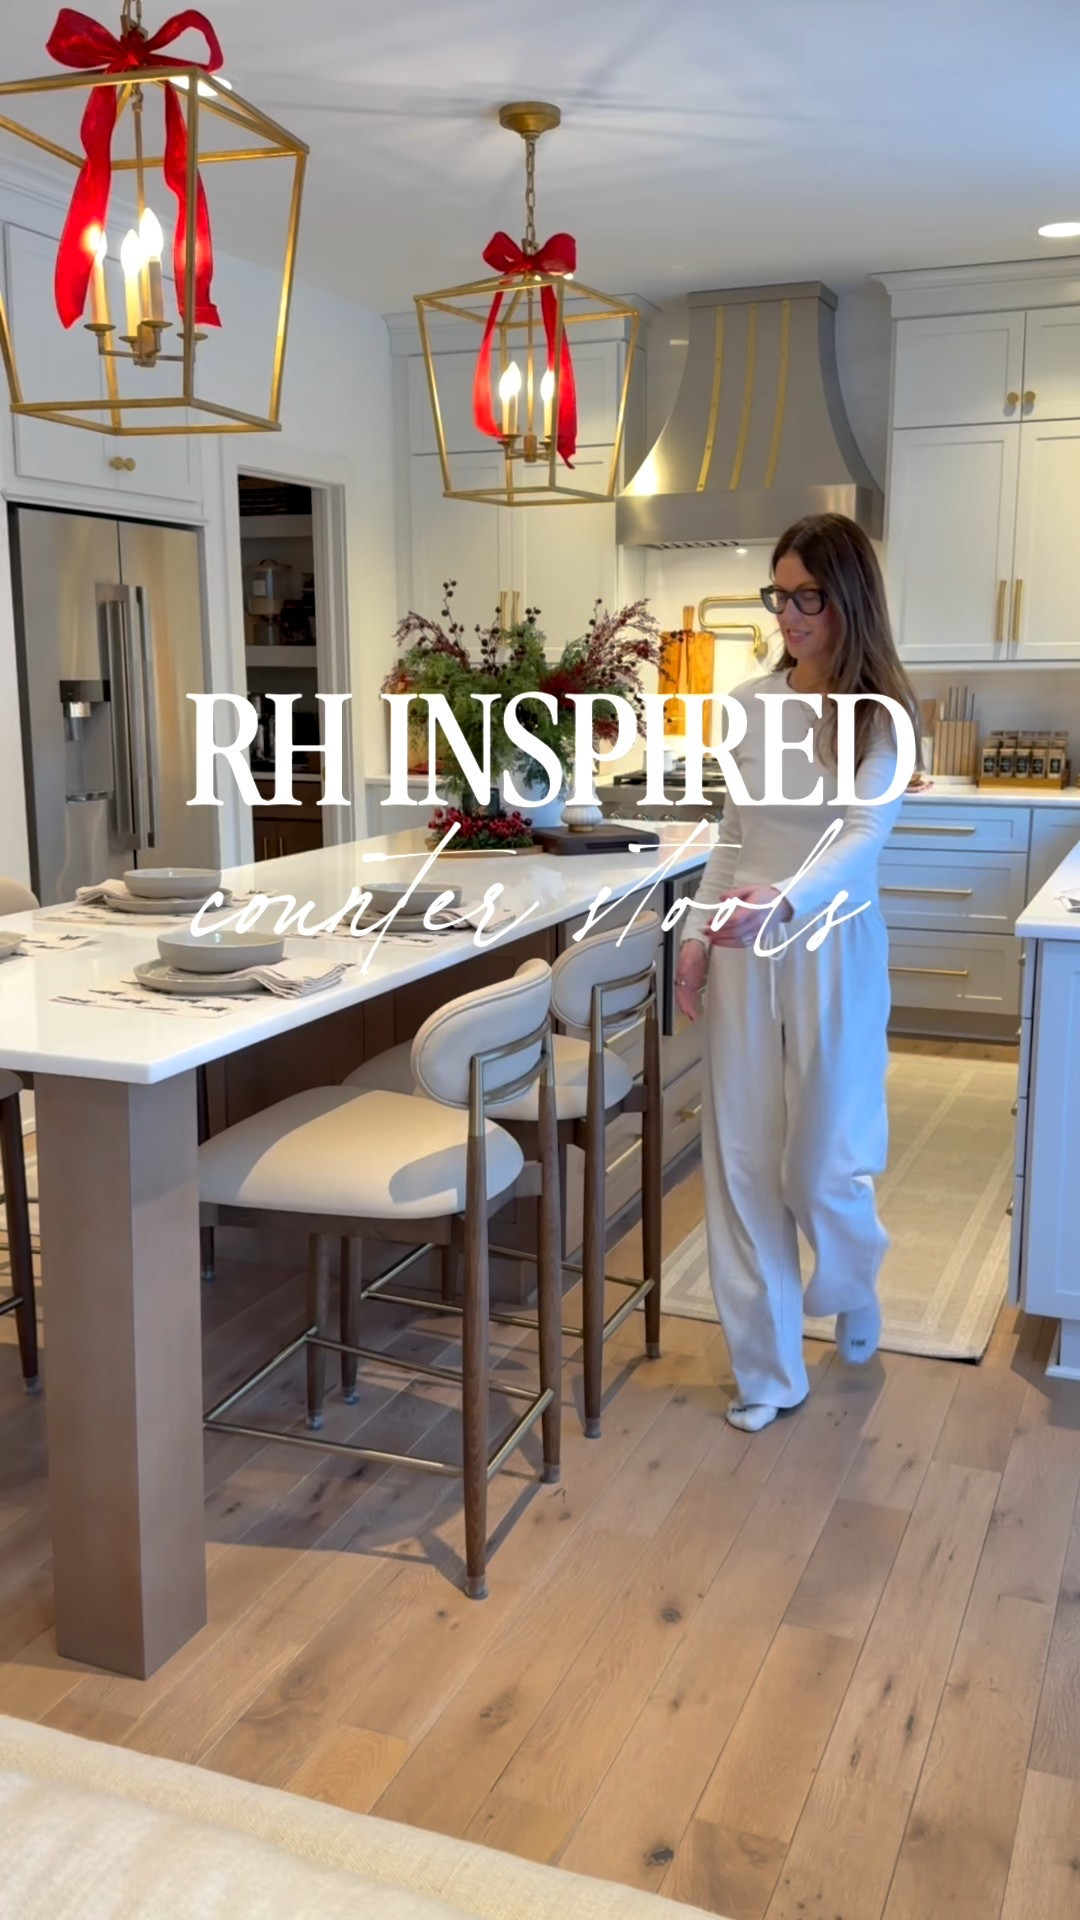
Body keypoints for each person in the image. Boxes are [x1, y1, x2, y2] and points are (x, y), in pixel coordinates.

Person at [673, 513, 920, 1432]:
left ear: (849, 597)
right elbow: (733, 837)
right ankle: (768, 1373)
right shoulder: (747, 704)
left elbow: (863, 835)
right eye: (779, 595)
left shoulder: (881, 717)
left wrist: (785, 898)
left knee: (821, 1165)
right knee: (742, 1164)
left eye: (807, 596)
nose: (788, 614)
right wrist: (696, 935)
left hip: (833, 945)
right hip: (744, 945)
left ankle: (853, 1274)